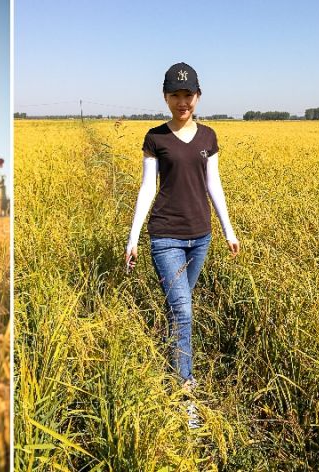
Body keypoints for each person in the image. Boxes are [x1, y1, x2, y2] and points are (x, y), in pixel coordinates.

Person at [125, 63, 240, 426]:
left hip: (200, 236)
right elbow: (147, 188)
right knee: (185, 312)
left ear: (198, 96)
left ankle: (169, 362)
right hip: (165, 236)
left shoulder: (208, 137)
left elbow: (214, 185)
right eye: (174, 94)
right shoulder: (155, 137)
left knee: (178, 312)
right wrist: (132, 237)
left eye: (187, 94)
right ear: (165, 96)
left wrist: (228, 229)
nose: (181, 101)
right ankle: (185, 394)